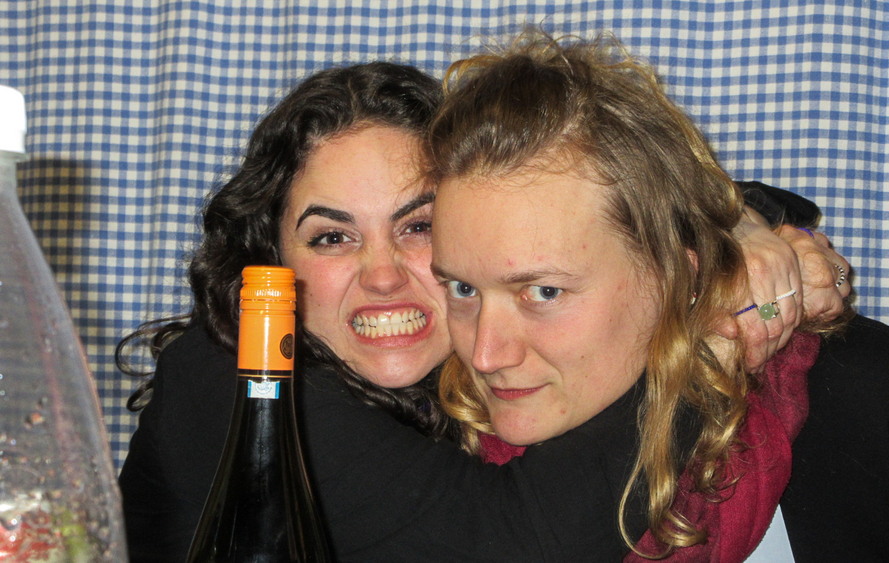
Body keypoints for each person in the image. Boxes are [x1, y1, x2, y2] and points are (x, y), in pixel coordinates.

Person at [118, 61, 850, 561]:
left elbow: (601, 207)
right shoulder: (230, 378)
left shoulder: (467, 386)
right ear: (270, 259)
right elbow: (504, 541)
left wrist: (741, 220)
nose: (382, 276)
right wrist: (716, 333)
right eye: (332, 236)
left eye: (417, 225)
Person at [424, 32, 889, 560]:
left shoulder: (876, 396)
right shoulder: (422, 443)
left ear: (676, 275)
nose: (485, 354)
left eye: (544, 291)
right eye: (462, 288)